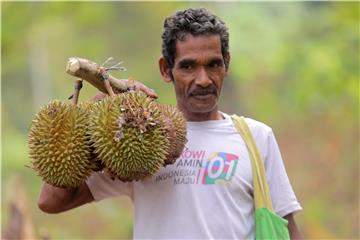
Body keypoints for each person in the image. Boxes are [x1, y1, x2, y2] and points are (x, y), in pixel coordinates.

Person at [38, 8, 302, 239]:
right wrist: (94, 109)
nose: (203, 79)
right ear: (166, 70)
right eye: (188, 67)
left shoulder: (256, 138)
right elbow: (51, 202)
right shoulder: (136, 133)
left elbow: (287, 229)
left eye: (213, 64)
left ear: (227, 64)